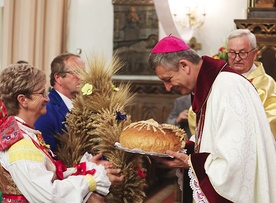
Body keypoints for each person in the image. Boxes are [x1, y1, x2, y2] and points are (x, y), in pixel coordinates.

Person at [148, 35, 276, 202]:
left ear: (184, 65)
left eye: (168, 79)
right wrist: (183, 148)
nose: (167, 87)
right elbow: (211, 138)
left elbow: (235, 165)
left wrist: (190, 162)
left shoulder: (228, 89)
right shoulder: (212, 85)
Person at [0, 63, 124, 202]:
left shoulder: (25, 134)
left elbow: (46, 176)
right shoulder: (21, 147)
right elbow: (50, 195)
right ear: (23, 100)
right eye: (42, 93)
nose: (47, 99)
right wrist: (92, 180)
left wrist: (86, 168)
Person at [226, 29, 276, 139]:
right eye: (232, 53)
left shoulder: (267, 84)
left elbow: (272, 119)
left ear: (254, 54)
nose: (237, 58)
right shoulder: (219, 80)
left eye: (243, 53)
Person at [35, 53, 84, 153]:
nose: (83, 78)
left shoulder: (87, 107)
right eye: (77, 72)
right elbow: (49, 157)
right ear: (58, 78)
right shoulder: (46, 110)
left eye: (85, 73)